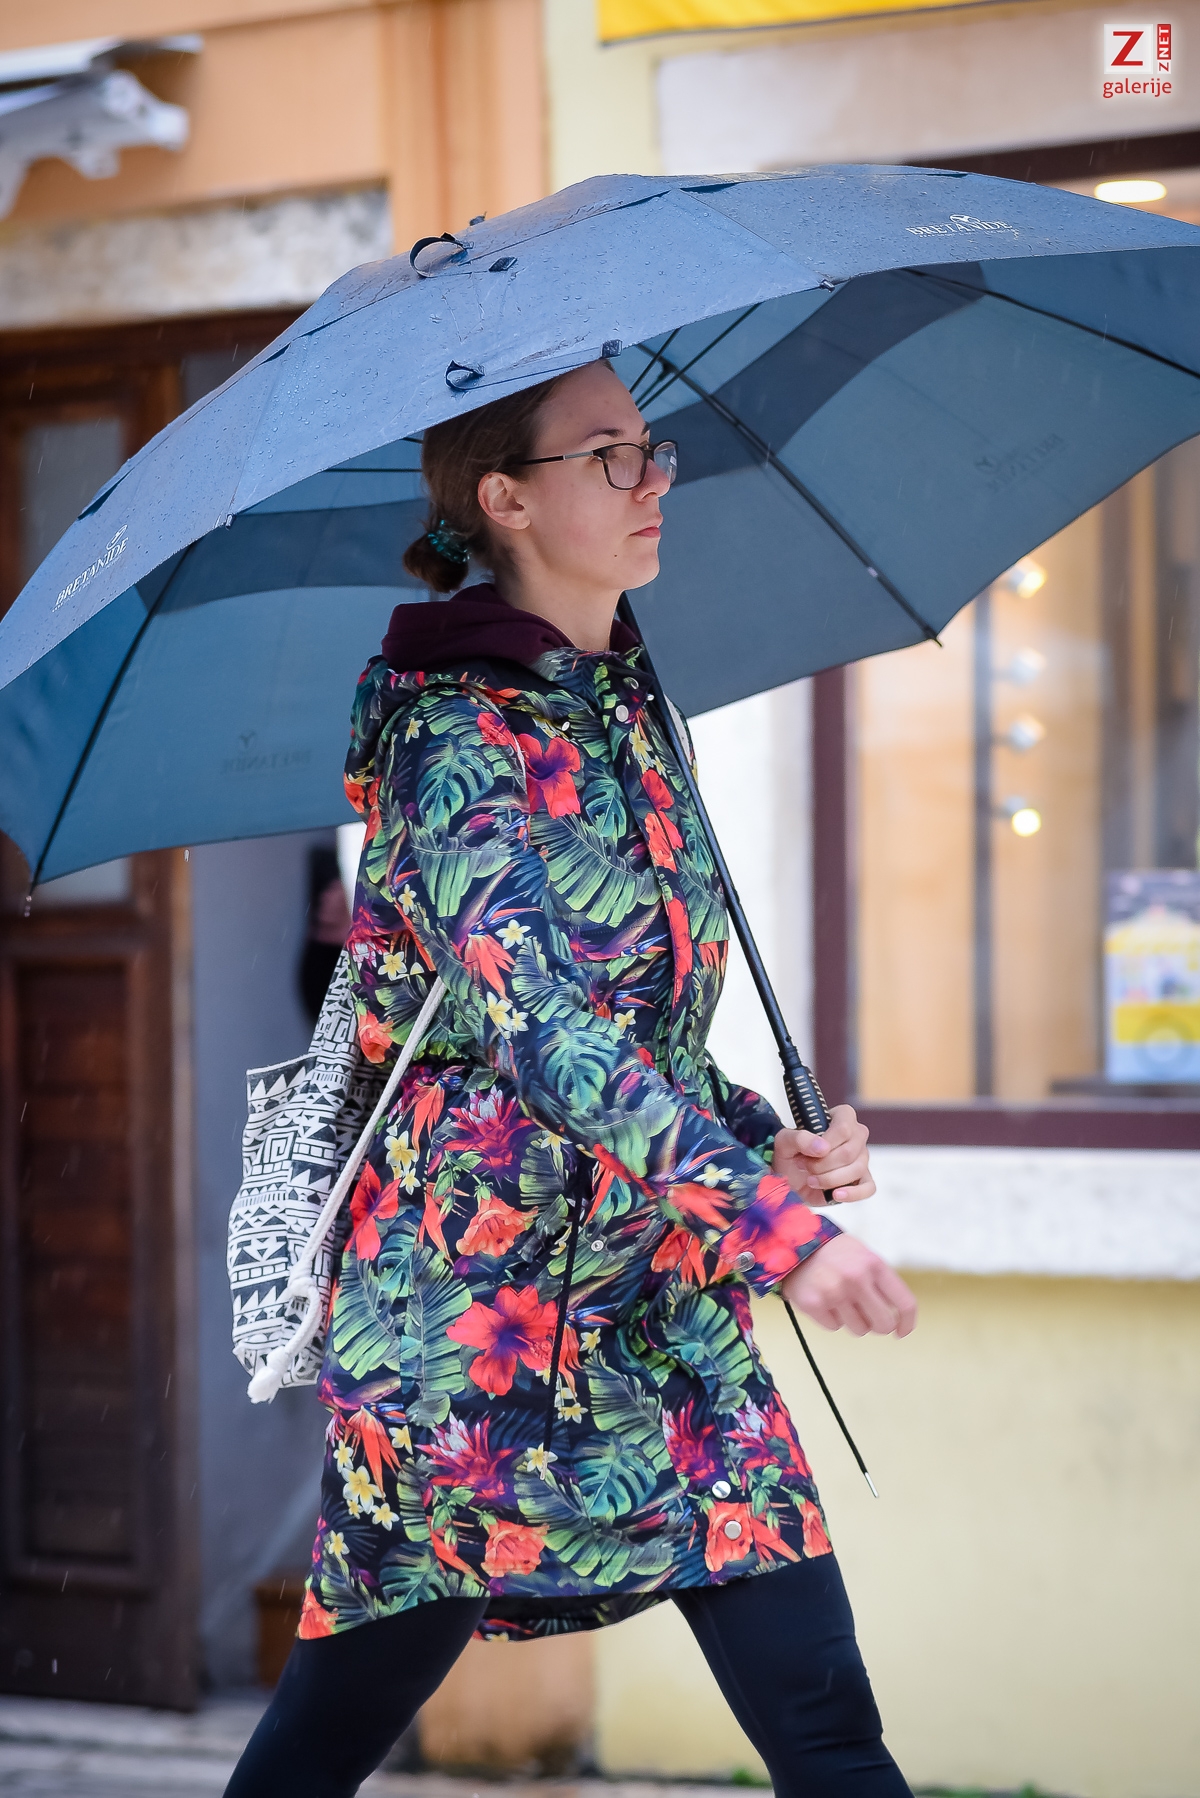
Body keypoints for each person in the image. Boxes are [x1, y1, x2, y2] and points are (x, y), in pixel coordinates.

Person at [225, 359, 917, 1798]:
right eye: (610, 455)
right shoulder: (451, 739)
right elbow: (541, 1029)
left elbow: (644, 1033)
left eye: (651, 447)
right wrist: (780, 1234)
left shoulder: (627, 710)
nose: (655, 476)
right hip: (468, 1332)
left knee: (828, 1726)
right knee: (329, 1735)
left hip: (662, 1312)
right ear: (507, 497)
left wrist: (761, 1142)